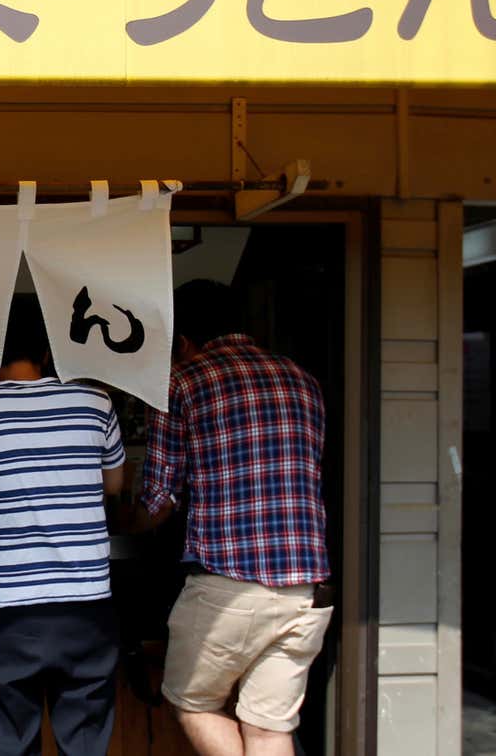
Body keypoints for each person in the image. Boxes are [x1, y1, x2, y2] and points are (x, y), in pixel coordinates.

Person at [133, 280, 332, 756]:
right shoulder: (301, 378)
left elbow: (159, 499)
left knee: (193, 702)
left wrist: (129, 523)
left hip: (229, 587)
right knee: (269, 727)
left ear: (182, 340)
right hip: (306, 592)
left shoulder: (182, 380)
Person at [0, 302, 127, 756]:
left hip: (5, 608)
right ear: (48, 352)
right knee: (85, 743)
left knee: (14, 742)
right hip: (87, 604)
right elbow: (115, 484)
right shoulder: (96, 402)